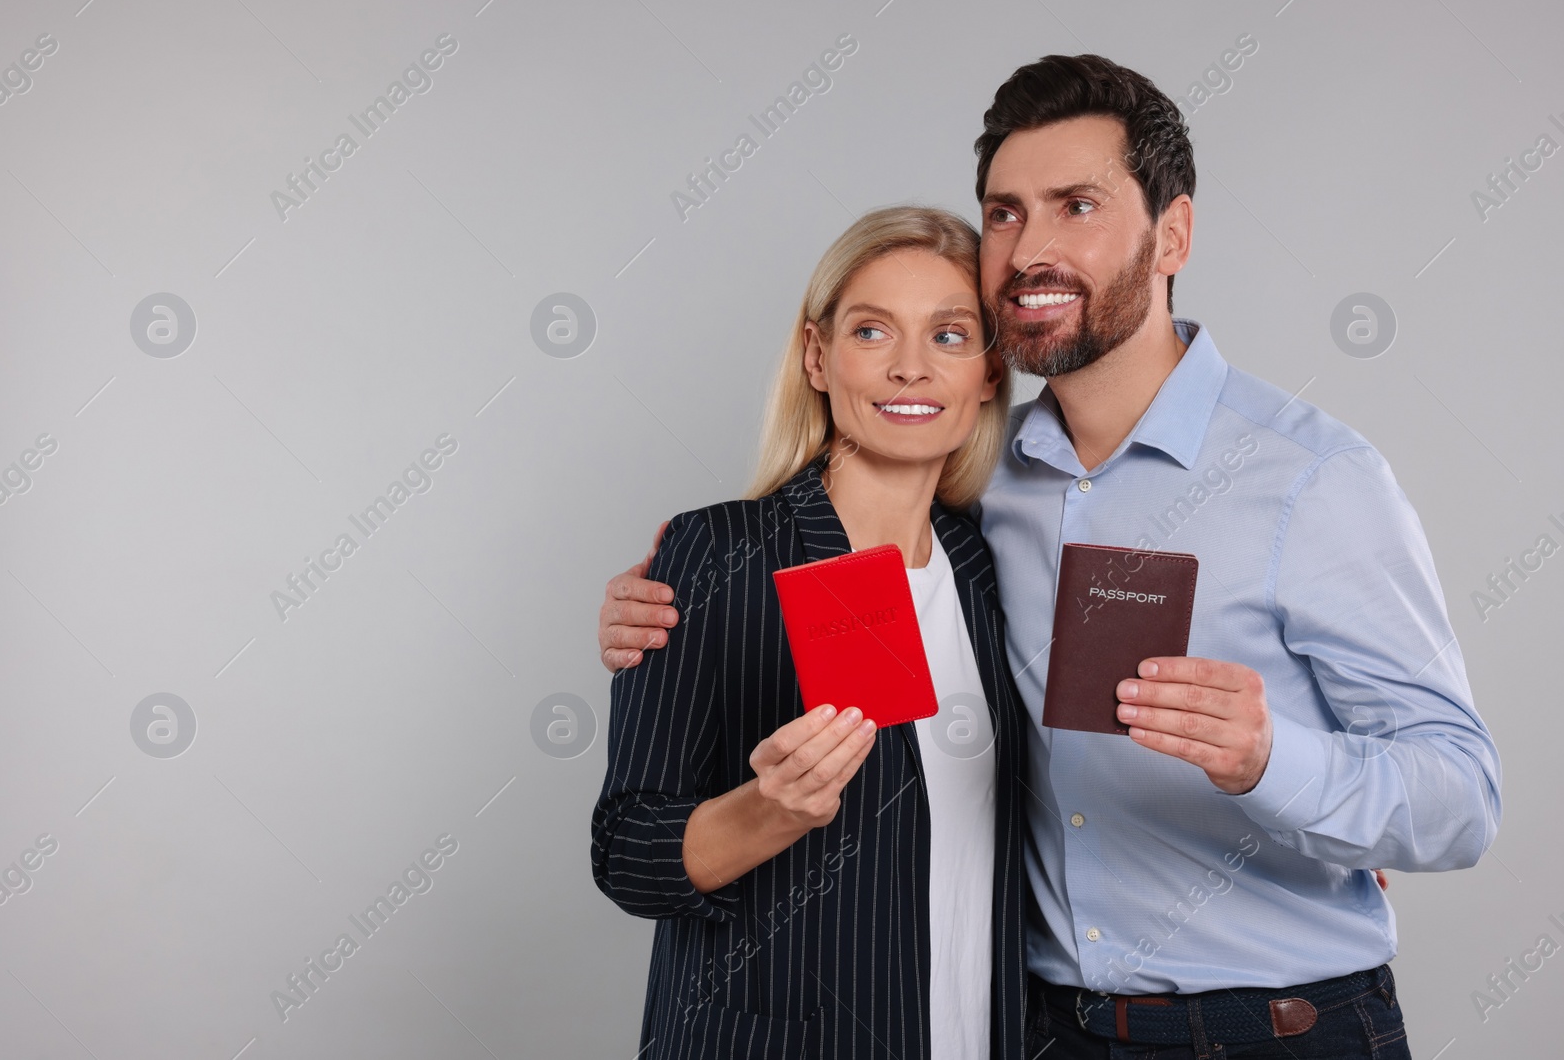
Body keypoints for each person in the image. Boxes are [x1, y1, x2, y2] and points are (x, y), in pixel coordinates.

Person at [599, 55, 1502, 1059]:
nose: (1031, 248)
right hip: (1040, 1030)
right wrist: (680, 581)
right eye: (1005, 213)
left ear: (1173, 234)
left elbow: (1458, 797)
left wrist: (1272, 762)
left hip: (1271, 1028)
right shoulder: (981, 502)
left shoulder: (1312, 477)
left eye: (1076, 205)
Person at [591, 206, 1033, 1059]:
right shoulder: (718, 553)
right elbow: (626, 852)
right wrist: (767, 811)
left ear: (988, 371)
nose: (911, 368)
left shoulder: (984, 568)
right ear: (818, 356)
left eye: (949, 335)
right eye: (874, 331)